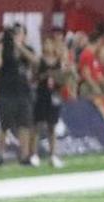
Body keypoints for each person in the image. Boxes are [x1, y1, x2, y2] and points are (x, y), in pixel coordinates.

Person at [0, 25, 38, 166]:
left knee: (24, 125)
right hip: (6, 93)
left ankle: (24, 155)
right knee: (4, 125)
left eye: (19, 33)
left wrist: (19, 47)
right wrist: (1, 45)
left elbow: (35, 61)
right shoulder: (4, 50)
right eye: (14, 34)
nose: (16, 36)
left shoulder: (27, 49)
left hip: (23, 92)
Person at [32, 34, 70, 168]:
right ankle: (34, 154)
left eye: (50, 43)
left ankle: (53, 155)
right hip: (41, 95)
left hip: (54, 96)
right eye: (45, 44)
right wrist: (45, 75)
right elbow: (34, 78)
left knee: (52, 127)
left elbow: (63, 80)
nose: (48, 46)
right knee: (37, 125)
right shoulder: (39, 60)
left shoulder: (59, 61)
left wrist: (60, 74)